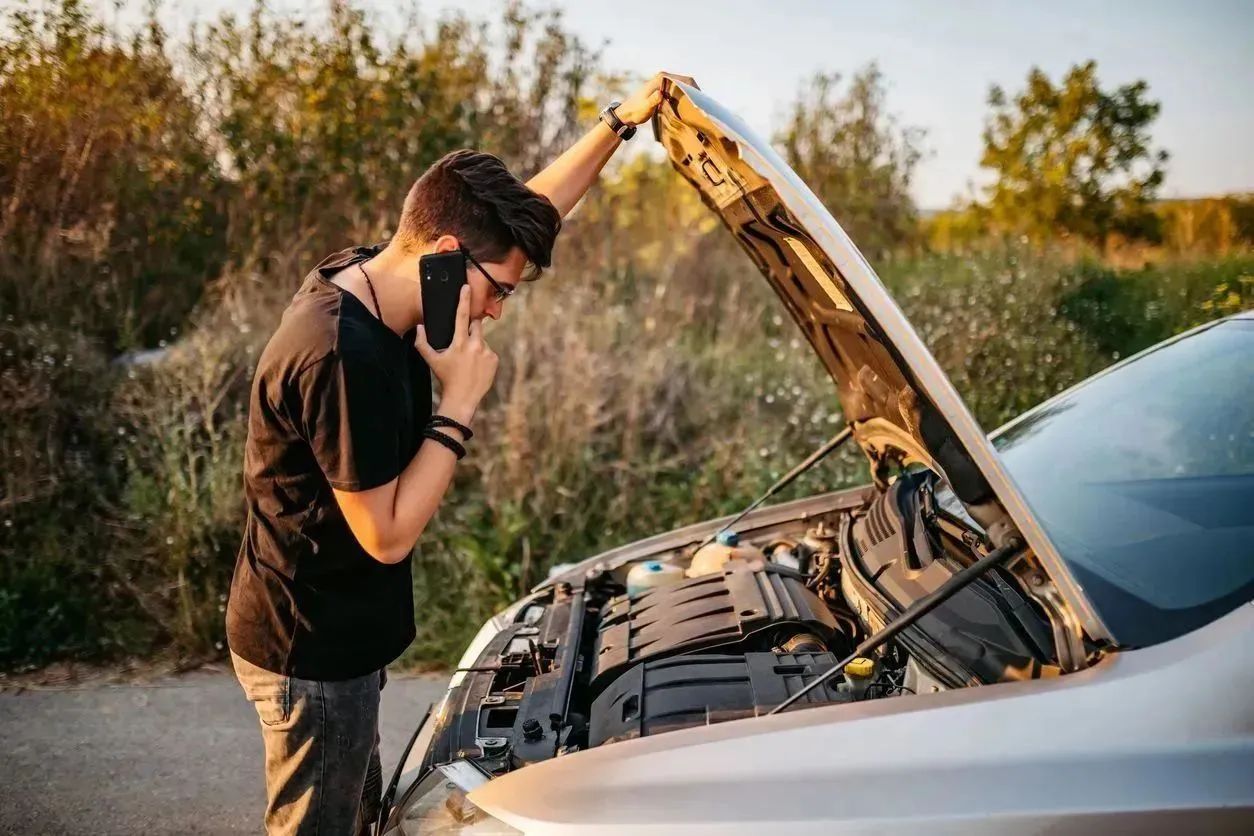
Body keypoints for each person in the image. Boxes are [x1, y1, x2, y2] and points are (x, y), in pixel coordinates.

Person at [224, 75, 668, 834]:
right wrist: (459, 403)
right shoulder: (341, 355)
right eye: (498, 290)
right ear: (446, 254)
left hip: (339, 632)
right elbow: (387, 534)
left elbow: (530, 215)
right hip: (312, 651)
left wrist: (621, 123)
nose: (496, 309)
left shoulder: (380, 274)